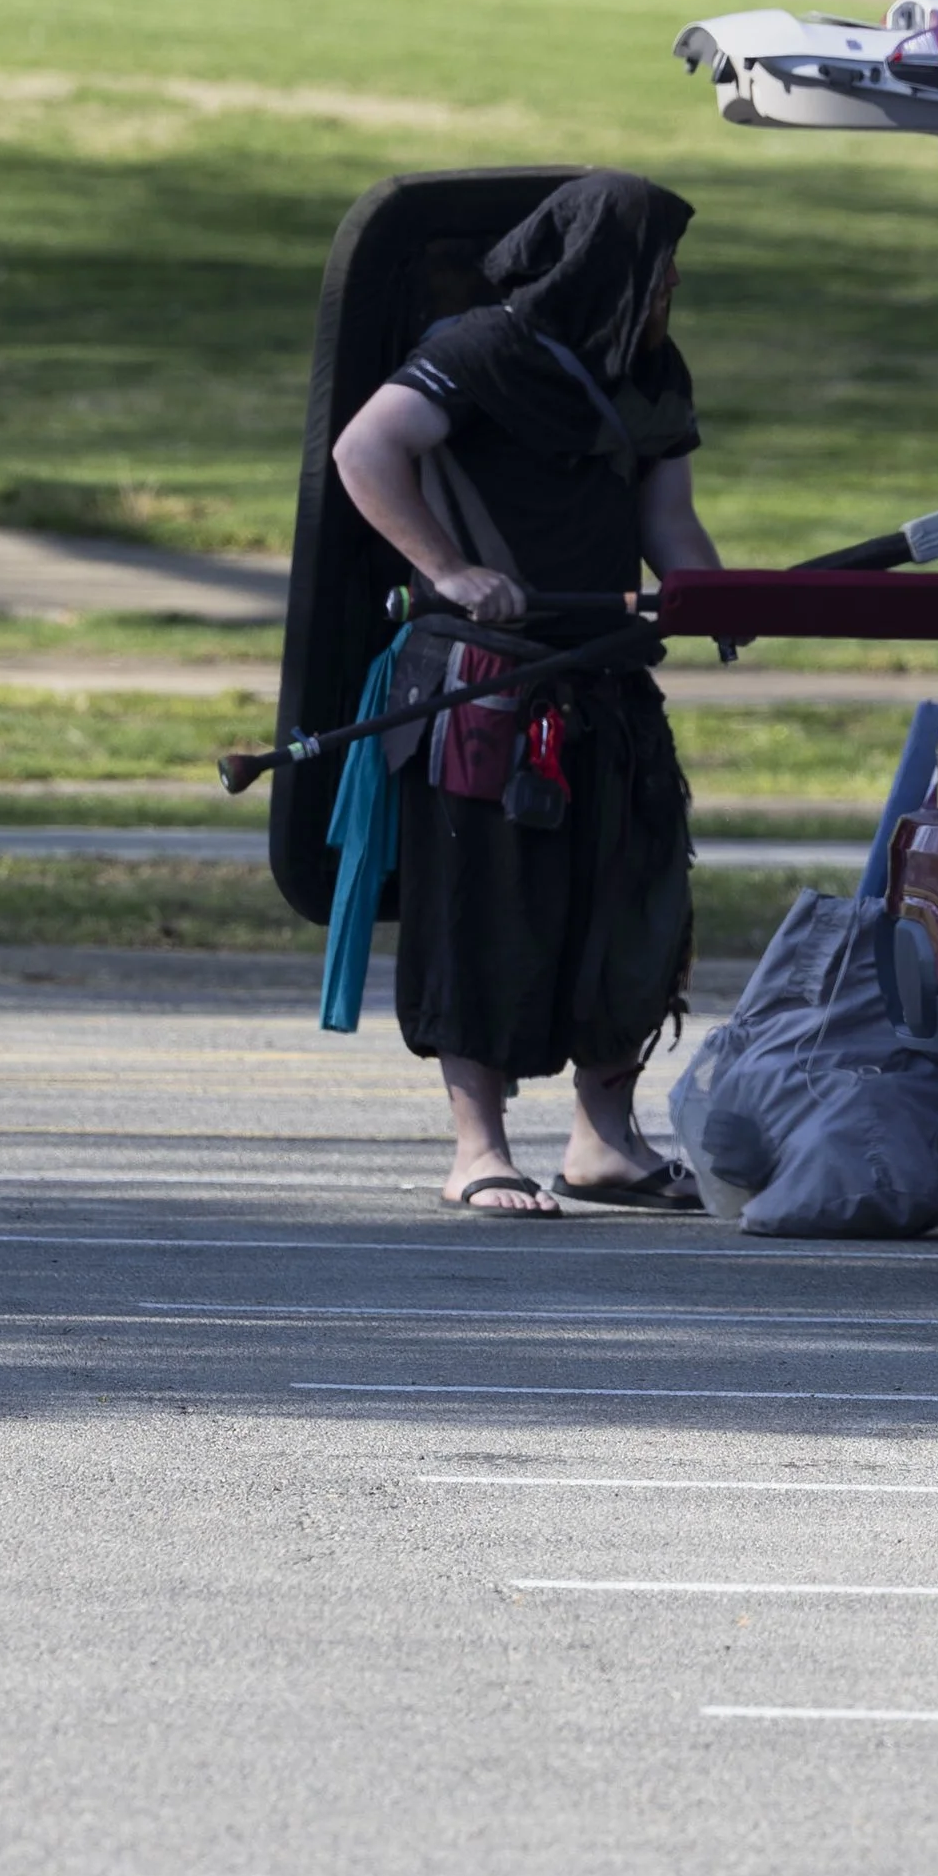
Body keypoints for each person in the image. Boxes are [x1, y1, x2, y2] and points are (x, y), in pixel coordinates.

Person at [331, 171, 720, 1215]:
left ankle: (603, 1143)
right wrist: (449, 570)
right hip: (487, 686)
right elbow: (365, 449)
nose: (672, 284)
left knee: (631, 905)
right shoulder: (477, 350)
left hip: (608, 677)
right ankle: (478, 1149)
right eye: (658, 264)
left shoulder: (649, 368)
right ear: (605, 265)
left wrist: (708, 594)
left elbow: (668, 519)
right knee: (485, 911)